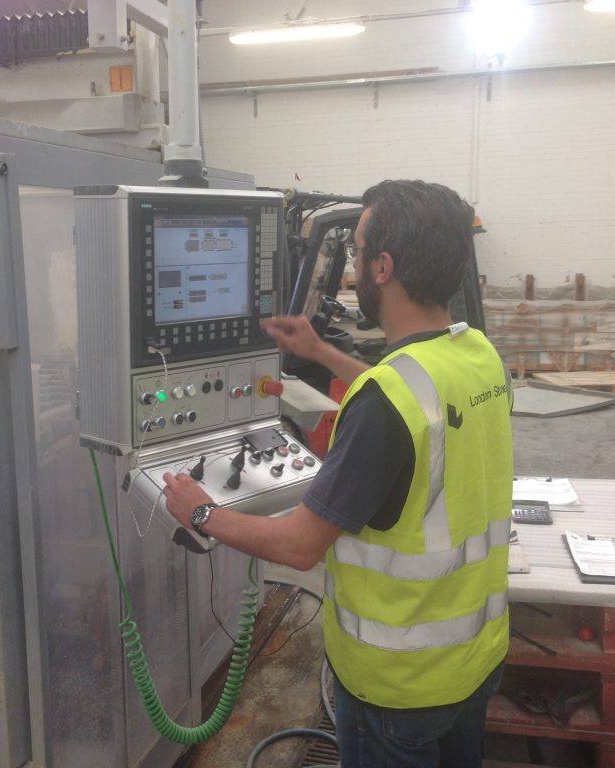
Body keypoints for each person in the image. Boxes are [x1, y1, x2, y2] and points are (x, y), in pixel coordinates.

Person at [162, 179, 514, 768]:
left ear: (383, 266)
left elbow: (300, 547)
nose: (351, 265)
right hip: (474, 662)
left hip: (397, 687)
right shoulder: (477, 354)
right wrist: (325, 355)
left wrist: (202, 512)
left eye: (354, 251)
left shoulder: (386, 401)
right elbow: (420, 404)